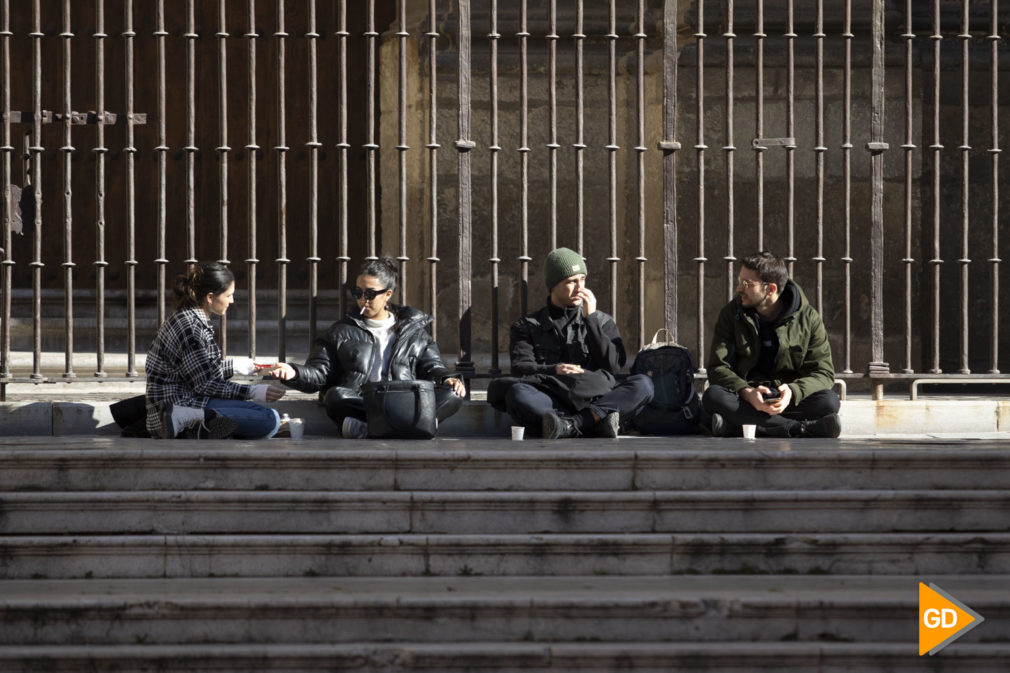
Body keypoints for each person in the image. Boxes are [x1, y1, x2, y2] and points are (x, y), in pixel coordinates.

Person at [266, 256, 465, 438]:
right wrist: (293, 372)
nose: (363, 299)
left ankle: (375, 428)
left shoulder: (415, 332)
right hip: (364, 402)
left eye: (370, 294)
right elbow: (320, 373)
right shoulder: (340, 331)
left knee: (454, 394)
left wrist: (448, 379)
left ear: (388, 294)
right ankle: (410, 426)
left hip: (403, 400)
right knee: (336, 396)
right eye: (358, 292)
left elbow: (433, 367)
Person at [502, 247, 653, 439]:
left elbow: (613, 365)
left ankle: (571, 426)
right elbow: (520, 367)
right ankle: (593, 423)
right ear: (553, 285)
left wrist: (591, 320)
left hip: (595, 399)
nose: (579, 287)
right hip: (553, 400)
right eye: (571, 281)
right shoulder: (527, 326)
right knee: (518, 393)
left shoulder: (602, 321)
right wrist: (554, 369)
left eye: (582, 279)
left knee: (643, 385)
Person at [702, 251, 841, 438]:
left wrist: (793, 391)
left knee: (829, 401)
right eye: (739, 281)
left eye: (747, 284)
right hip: (748, 397)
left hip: (787, 399)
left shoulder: (809, 318)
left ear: (771, 289)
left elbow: (824, 373)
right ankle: (800, 429)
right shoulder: (731, 314)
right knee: (713, 396)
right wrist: (747, 392)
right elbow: (718, 367)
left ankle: (737, 426)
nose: (739, 289)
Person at [146, 262, 287, 439]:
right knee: (268, 418)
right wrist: (252, 391)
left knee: (259, 412)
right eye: (229, 295)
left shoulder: (190, 318)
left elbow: (199, 372)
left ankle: (199, 425)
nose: (232, 301)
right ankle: (188, 420)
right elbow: (204, 384)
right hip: (175, 408)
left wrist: (238, 366)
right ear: (210, 297)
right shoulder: (191, 328)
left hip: (185, 400)